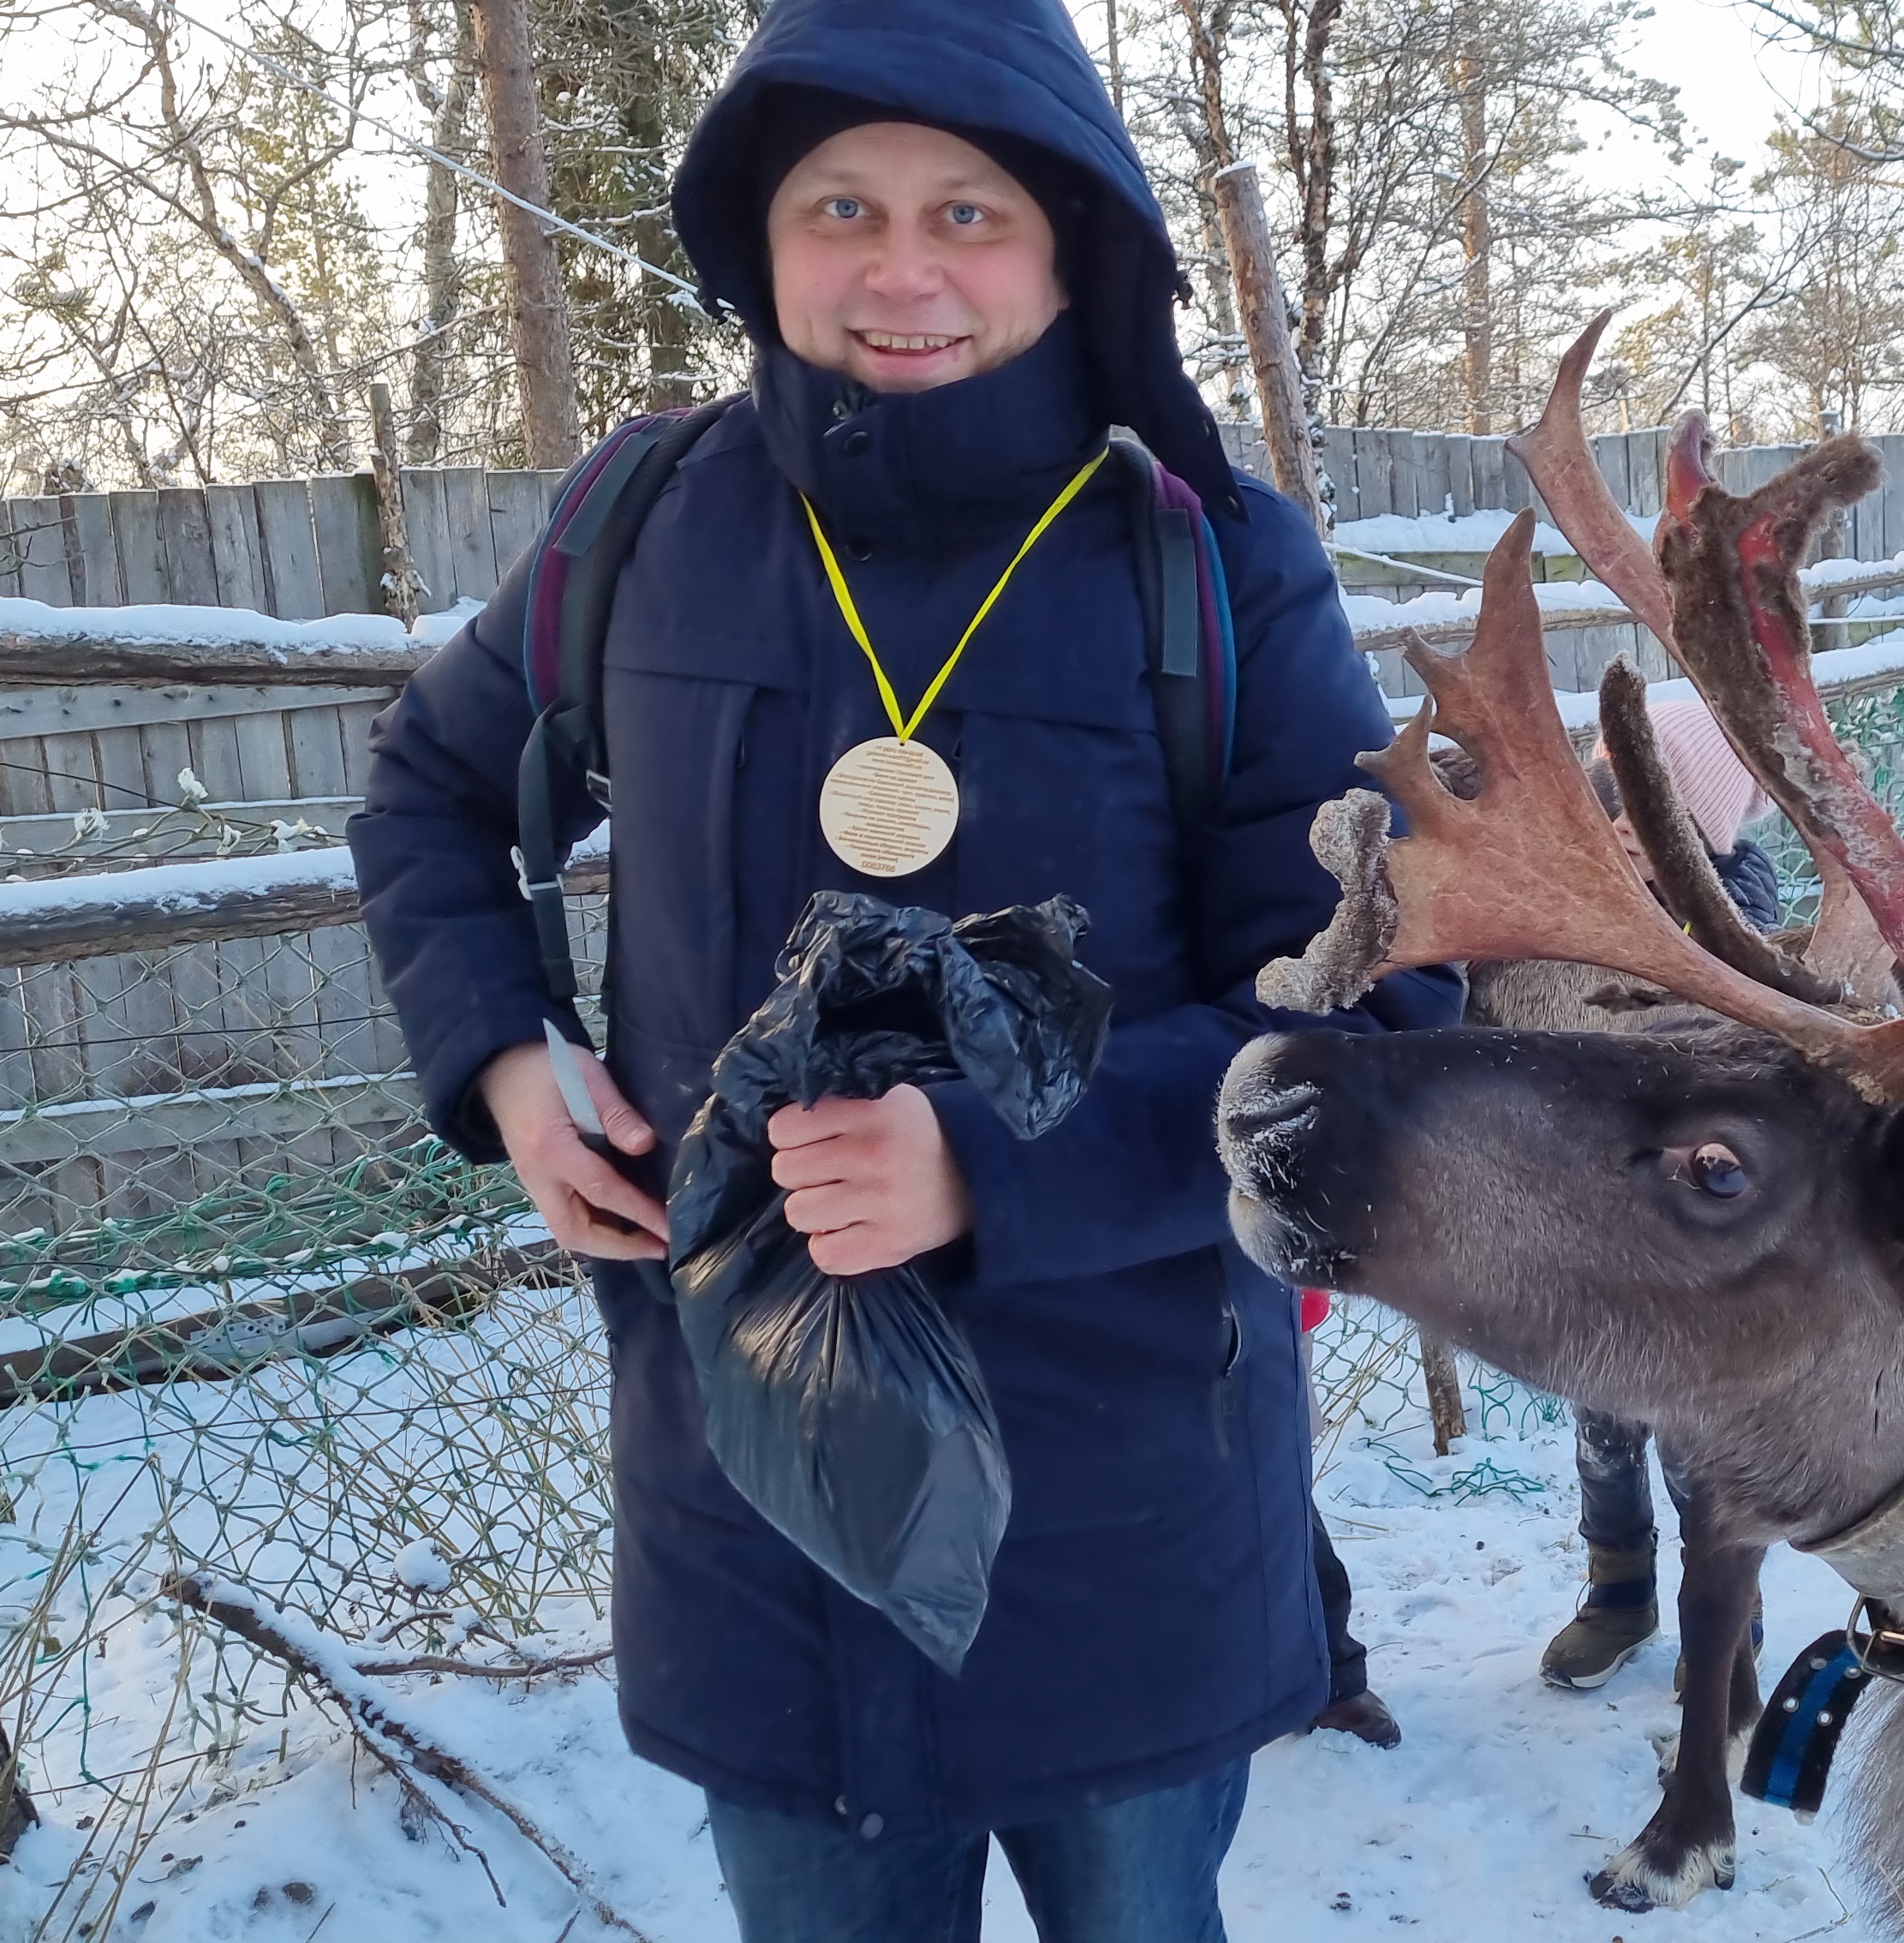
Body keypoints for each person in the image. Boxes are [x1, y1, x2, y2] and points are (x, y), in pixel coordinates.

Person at [347, 1, 1458, 1934]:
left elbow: (1371, 1003)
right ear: (758, 240)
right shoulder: (641, 528)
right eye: (839, 207)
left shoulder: (1213, 565)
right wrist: (510, 1061)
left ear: (1072, 247)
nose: (899, 269)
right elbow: (428, 794)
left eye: (968, 213)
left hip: (1121, 1522)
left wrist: (999, 1165)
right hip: (749, 1518)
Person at [1537, 699, 1782, 1691]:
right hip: (1596, 1235)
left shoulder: (1743, 939)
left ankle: (1725, 1616)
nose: (1619, 823)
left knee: (1700, 1449)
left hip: (1698, 1247)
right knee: (1601, 1431)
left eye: (1647, 808)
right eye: (1612, 798)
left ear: (1703, 831)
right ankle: (1619, 1593)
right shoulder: (1579, 916)